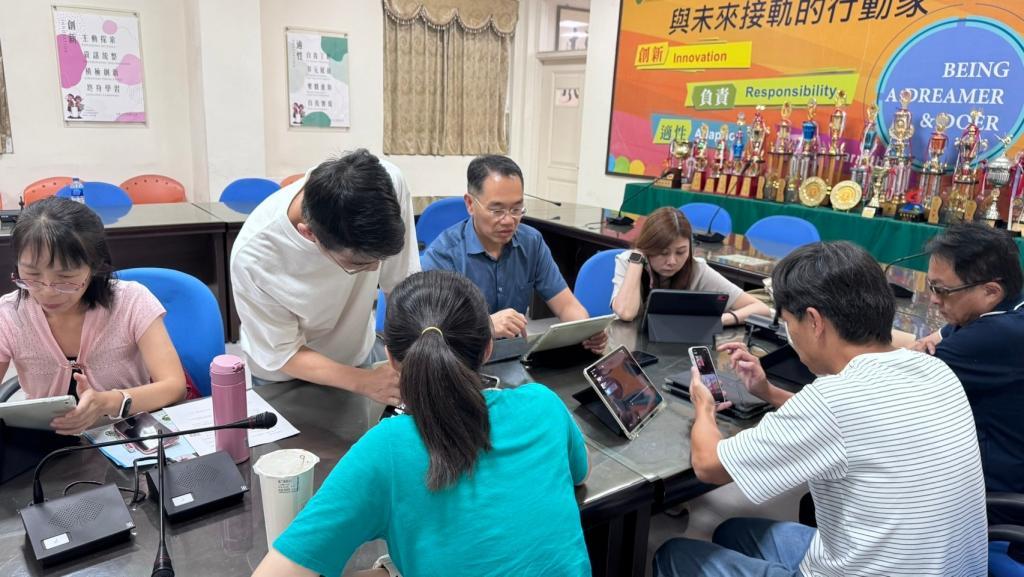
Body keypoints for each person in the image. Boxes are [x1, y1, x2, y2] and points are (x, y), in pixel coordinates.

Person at [654, 241, 987, 577]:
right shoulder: (935, 369)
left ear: (814, 321)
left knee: (674, 554)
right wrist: (767, 391)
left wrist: (704, 405)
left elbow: (709, 465)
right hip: (943, 568)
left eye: (787, 322)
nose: (789, 333)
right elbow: (849, 427)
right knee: (733, 531)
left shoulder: (832, 400)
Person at [252, 270, 591, 577]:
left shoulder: (386, 449)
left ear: (390, 357)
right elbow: (580, 474)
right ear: (488, 348)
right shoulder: (543, 404)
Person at [230, 149, 419, 406]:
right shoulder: (255, 258)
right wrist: (363, 381)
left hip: (355, 356)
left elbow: (402, 284)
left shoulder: (385, 187)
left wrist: (415, 353)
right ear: (309, 234)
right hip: (286, 377)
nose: (375, 268)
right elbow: (283, 352)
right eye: (360, 264)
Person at [0, 198, 186, 435]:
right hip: (46, 444)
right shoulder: (9, 314)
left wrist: (108, 402)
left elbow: (174, 386)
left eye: (65, 278)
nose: (47, 291)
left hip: (125, 437)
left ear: (95, 266)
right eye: (32, 275)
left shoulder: (131, 301)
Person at [421, 155, 606, 351]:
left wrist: (586, 329)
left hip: (512, 354)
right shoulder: (444, 254)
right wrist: (486, 326)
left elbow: (566, 305)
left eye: (517, 209)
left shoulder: (531, 242)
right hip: (461, 357)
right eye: (497, 210)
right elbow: (429, 331)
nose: (509, 220)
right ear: (470, 204)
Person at [899, 223, 1024, 496]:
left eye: (941, 290)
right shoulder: (1008, 306)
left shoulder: (998, 334)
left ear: (990, 291)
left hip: (992, 494)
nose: (933, 300)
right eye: (931, 286)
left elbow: (894, 384)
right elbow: (930, 341)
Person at [611, 207, 770, 325]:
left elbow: (761, 309)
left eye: (681, 252)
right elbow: (626, 313)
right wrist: (637, 257)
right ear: (647, 248)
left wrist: (721, 320)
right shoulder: (629, 261)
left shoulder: (696, 268)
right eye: (663, 253)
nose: (672, 261)